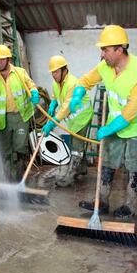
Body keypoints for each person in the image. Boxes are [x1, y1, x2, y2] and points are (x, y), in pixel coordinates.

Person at [69, 25, 137, 218]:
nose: (102, 54)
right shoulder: (105, 67)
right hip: (116, 120)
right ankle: (102, 202)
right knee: (107, 160)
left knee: (134, 164)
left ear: (119, 49)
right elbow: (85, 80)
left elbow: (130, 112)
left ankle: (131, 205)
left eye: (105, 49)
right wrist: (77, 94)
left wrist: (108, 128)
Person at [0, 44, 40, 181]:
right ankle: (7, 179)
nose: (0, 62)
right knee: (5, 150)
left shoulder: (20, 73)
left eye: (3, 59)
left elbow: (31, 84)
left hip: (21, 116)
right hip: (2, 119)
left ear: (8, 59)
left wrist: (34, 92)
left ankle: (19, 177)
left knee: (20, 147)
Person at [41, 55, 94, 187]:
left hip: (82, 117)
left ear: (65, 70)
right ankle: (81, 168)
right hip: (73, 120)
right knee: (78, 145)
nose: (54, 75)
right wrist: (53, 104)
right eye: (52, 72)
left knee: (76, 147)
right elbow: (55, 97)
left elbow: (65, 108)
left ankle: (70, 176)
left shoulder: (73, 83)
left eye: (56, 71)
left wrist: (51, 123)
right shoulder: (55, 83)